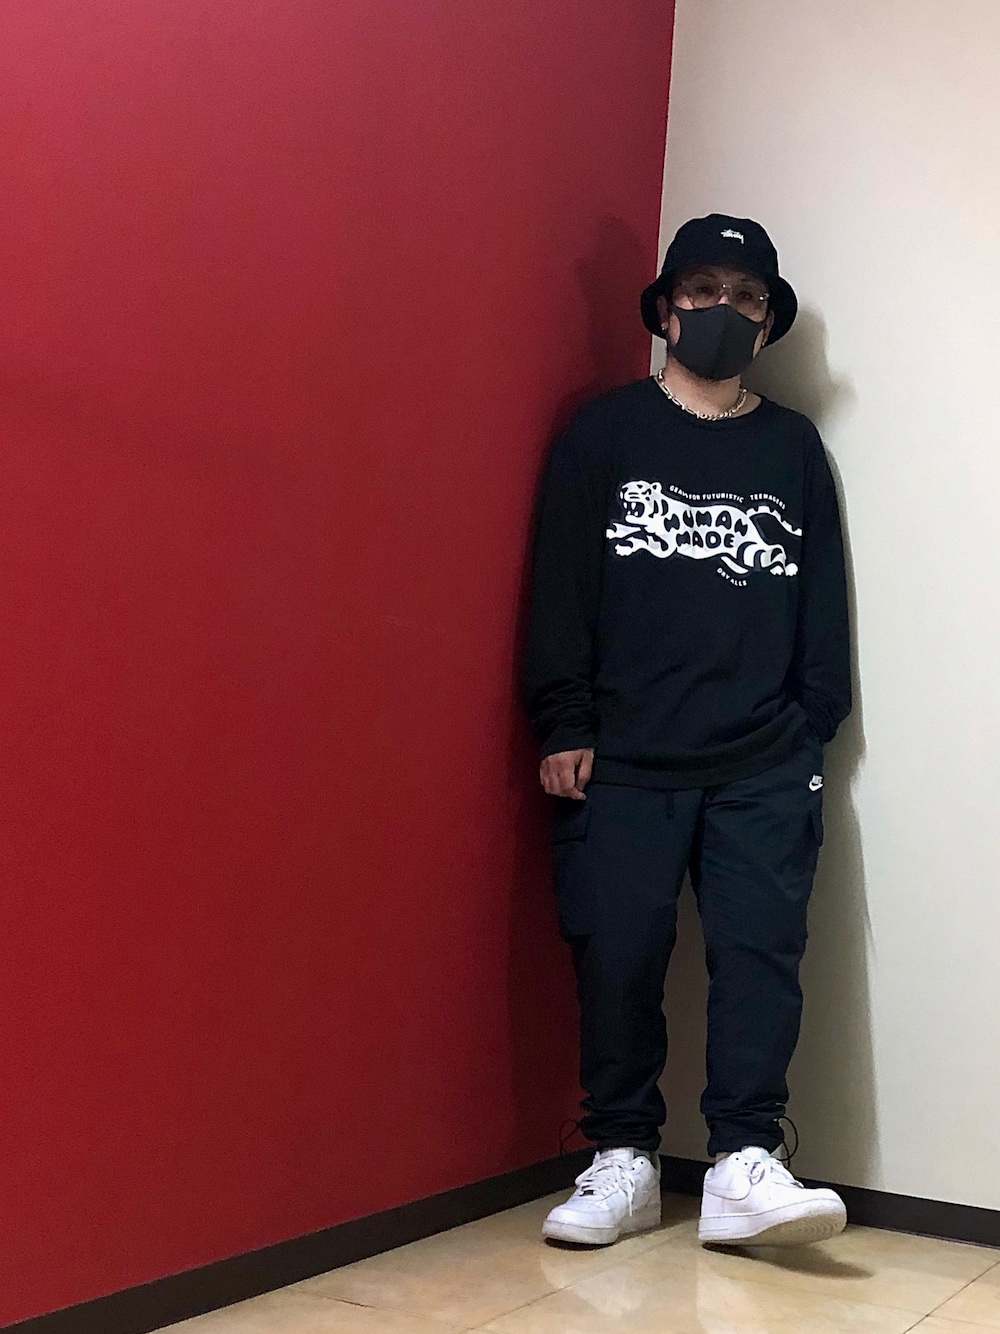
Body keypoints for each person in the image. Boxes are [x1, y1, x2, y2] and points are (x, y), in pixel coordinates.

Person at [523, 214, 851, 1248]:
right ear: (666, 309)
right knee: (616, 955)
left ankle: (743, 1162)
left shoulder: (791, 447)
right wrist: (563, 718)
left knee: (761, 960)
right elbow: (559, 588)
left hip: (763, 760)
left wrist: (811, 725)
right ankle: (622, 1157)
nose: (724, 309)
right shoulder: (603, 433)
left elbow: (822, 604)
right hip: (622, 757)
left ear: (767, 323)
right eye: (704, 289)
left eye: (747, 297)